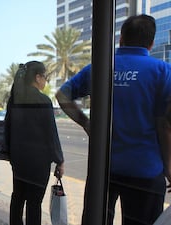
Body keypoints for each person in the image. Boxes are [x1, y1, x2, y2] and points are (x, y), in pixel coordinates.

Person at [55, 14, 171, 225]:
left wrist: (86, 123)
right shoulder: (163, 71)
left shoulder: (99, 67)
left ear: (121, 39)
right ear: (151, 43)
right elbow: (165, 124)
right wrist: (169, 166)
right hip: (145, 170)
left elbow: (62, 95)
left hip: (104, 167)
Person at [6, 61, 64, 225]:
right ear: (38, 77)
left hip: (18, 160)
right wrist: (59, 160)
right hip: (38, 163)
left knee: (17, 197)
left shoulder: (14, 99)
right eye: (45, 77)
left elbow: (8, 129)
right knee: (34, 202)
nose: (45, 81)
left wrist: (11, 154)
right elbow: (51, 134)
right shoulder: (43, 101)